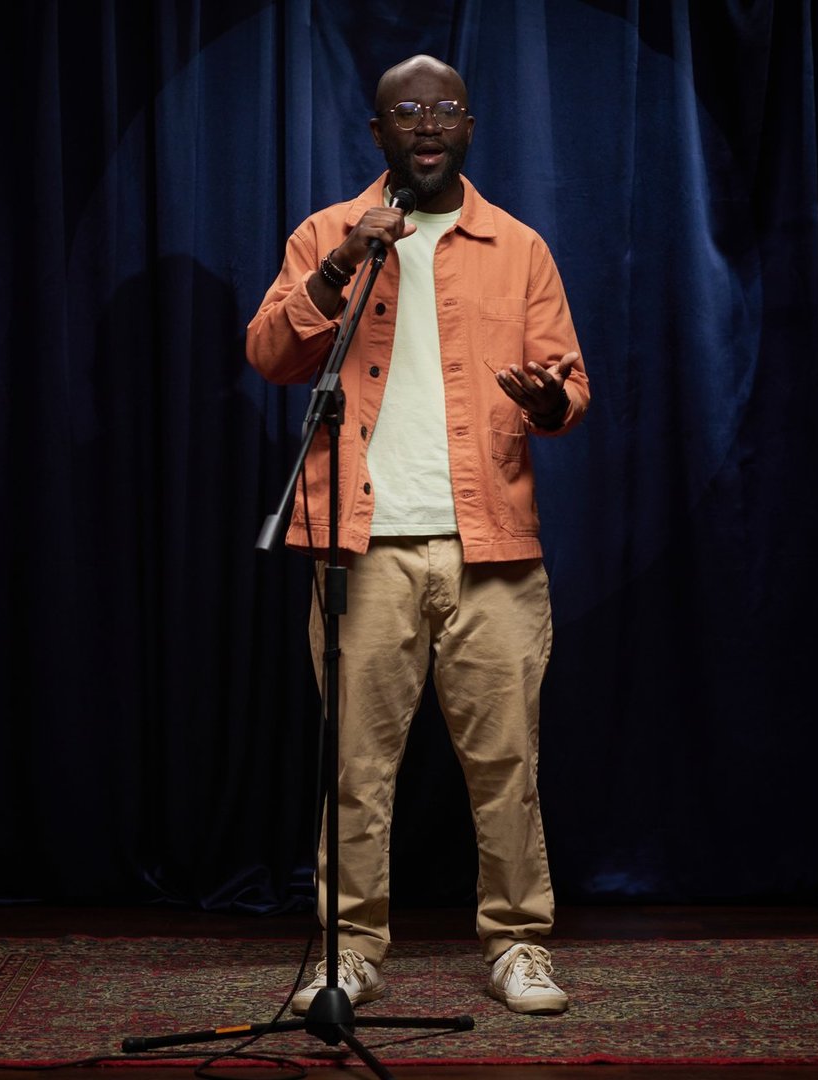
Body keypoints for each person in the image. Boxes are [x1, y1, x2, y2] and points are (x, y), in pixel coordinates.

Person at [246, 55, 589, 1016]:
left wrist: (553, 402)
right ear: (379, 133)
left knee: (507, 764)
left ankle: (519, 946)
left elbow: (572, 382)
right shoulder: (328, 233)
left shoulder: (517, 246)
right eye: (407, 111)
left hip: (494, 555)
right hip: (362, 550)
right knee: (355, 769)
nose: (427, 123)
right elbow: (271, 353)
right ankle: (348, 953)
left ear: (470, 126)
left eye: (444, 109)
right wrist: (345, 258)